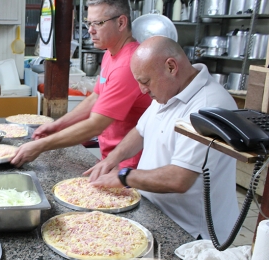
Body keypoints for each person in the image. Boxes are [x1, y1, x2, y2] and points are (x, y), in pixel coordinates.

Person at [87, 36, 239, 241]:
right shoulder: (168, 91)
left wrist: (124, 176)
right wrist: (112, 159)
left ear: (171, 67)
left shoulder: (209, 105)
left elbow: (179, 178)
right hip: (159, 213)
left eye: (145, 82)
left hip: (192, 231)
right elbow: (141, 131)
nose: (143, 90)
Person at [11, 0, 151, 168]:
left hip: (132, 164)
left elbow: (96, 125)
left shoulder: (128, 64)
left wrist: (41, 146)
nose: (90, 30)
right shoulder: (110, 53)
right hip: (112, 159)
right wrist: (57, 125)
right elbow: (95, 98)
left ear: (121, 22)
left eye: (98, 23)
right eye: (89, 23)